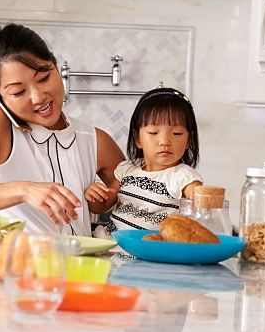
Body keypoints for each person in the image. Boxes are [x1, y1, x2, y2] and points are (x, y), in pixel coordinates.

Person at [0, 24, 125, 236]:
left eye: (44, 78)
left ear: (56, 67)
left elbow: (136, 185)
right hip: (14, 265)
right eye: (18, 91)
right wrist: (25, 190)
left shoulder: (93, 140)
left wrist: (101, 201)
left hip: (79, 266)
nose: (38, 97)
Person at [85, 87, 202, 232]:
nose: (165, 141)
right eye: (153, 132)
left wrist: (202, 199)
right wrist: (95, 197)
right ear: (137, 139)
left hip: (152, 250)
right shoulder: (127, 169)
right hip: (112, 243)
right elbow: (101, 207)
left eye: (177, 133)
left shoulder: (184, 177)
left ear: (188, 140)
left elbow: (203, 204)